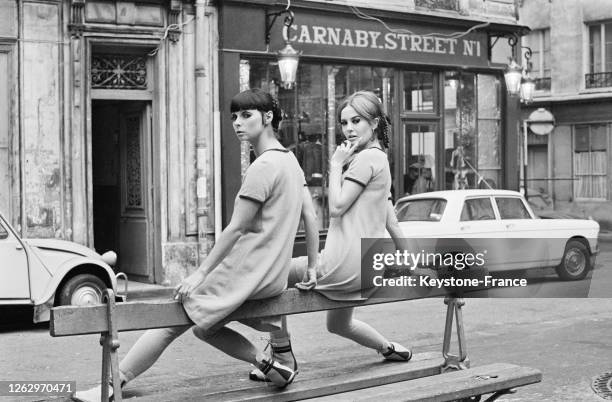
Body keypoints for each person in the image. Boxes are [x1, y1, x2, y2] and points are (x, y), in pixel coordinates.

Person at [75, 88, 319, 401]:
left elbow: (235, 229)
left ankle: (112, 386)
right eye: (234, 117)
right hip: (269, 276)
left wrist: (200, 274)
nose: (237, 123)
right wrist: (311, 265)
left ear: (268, 117)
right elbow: (310, 217)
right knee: (205, 328)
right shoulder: (291, 162)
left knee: (169, 320)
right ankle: (273, 365)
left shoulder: (263, 167)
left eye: (246, 115)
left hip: (244, 271)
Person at [249, 90, 411, 383]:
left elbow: (335, 208)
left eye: (356, 121)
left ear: (374, 124)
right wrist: (408, 262)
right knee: (338, 325)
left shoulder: (363, 161)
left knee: (273, 274)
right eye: (344, 122)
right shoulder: (382, 161)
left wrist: (335, 165)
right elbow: (393, 224)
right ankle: (389, 348)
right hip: (367, 269)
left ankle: (282, 356)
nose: (348, 129)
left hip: (343, 264)